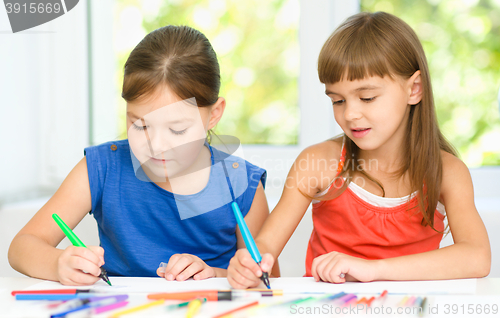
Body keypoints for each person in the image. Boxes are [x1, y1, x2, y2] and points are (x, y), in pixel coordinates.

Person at [227, 12, 491, 288]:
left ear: (414, 89)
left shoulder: (447, 171)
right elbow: (265, 246)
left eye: (367, 98)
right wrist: (247, 264)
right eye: (338, 100)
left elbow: (477, 257)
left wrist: (372, 269)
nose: (350, 114)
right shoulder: (317, 163)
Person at [8, 25, 275, 286]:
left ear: (214, 115)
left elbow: (267, 279)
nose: (156, 145)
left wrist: (215, 275)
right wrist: (58, 264)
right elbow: (22, 246)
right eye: (140, 125)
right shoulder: (102, 168)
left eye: (177, 129)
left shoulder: (241, 184)